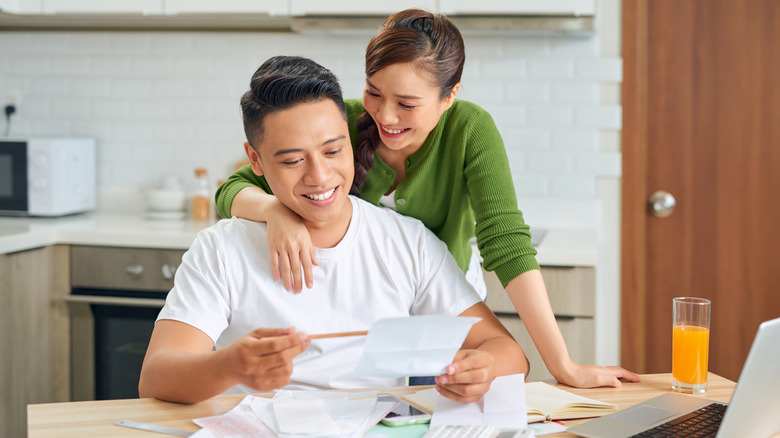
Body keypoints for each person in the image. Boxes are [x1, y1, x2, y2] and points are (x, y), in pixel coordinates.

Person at [214, 9, 640, 389]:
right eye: (374, 93)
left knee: (439, 404)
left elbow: (505, 242)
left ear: (449, 97)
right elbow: (232, 187)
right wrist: (274, 212)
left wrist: (562, 365)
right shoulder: (340, 124)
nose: (385, 116)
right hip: (367, 317)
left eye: (407, 103)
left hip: (446, 311)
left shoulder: (470, 129)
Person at [138, 55, 528, 405]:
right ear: (255, 160)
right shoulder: (221, 249)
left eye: (332, 151)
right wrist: (229, 367)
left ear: (350, 137)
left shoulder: (407, 243)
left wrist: (483, 369)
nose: (320, 176)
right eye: (292, 160)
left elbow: (509, 354)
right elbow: (155, 378)